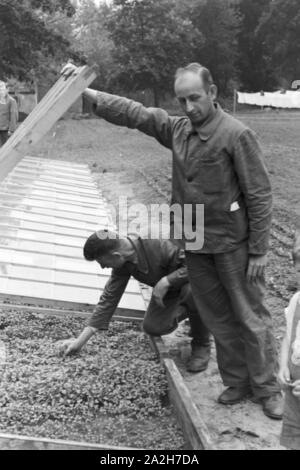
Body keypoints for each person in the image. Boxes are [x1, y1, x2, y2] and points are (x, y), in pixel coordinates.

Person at [61, 62, 282, 418]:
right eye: (182, 100)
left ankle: (268, 388)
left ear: (211, 93)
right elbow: (138, 114)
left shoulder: (236, 134)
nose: (189, 107)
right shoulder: (178, 130)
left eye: (195, 97)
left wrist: (258, 250)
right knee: (218, 316)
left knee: (250, 315)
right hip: (193, 240)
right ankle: (238, 381)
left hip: (231, 242)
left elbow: (259, 194)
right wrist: (87, 95)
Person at [62, 230, 211, 373]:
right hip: (170, 292)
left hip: (198, 280)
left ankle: (201, 343)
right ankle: (197, 314)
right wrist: (79, 342)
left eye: (102, 262)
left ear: (116, 255)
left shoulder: (159, 243)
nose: (103, 267)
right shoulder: (123, 262)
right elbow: (109, 298)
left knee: (193, 292)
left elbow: (199, 264)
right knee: (153, 327)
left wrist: (167, 281)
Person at [279, 230, 300, 448]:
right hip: (295, 392)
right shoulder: (297, 301)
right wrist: (283, 365)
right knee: (294, 434)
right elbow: (287, 338)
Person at [0, 81, 18, 147]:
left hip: (5, 130)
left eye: (1, 88)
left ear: (7, 90)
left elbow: (14, 116)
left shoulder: (11, 101)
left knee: (5, 148)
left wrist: (11, 129)